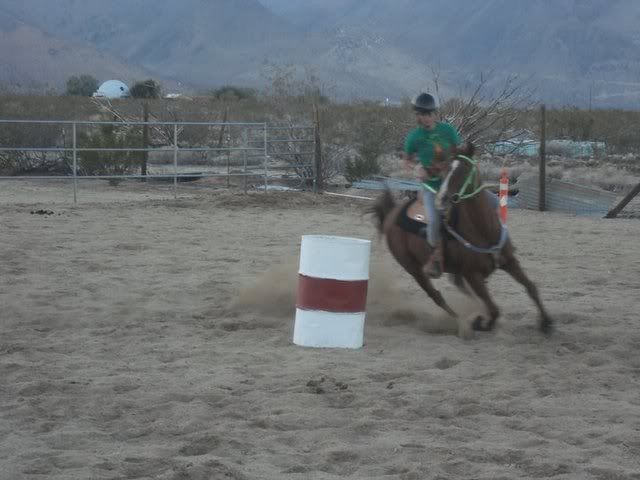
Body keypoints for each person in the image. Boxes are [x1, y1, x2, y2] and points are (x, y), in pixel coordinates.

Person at [403, 92, 461, 278]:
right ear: (418, 116)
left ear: (435, 114)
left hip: (451, 184)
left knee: (485, 204)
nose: (426, 118)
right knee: (435, 221)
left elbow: (458, 152)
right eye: (422, 114)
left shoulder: (448, 131)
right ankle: (435, 257)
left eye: (429, 114)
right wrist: (416, 168)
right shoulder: (414, 137)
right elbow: (407, 159)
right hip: (430, 187)